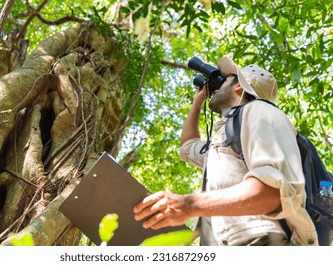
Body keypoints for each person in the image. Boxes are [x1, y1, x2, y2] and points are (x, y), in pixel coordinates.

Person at [134, 56, 318, 246]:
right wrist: (198, 101)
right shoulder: (227, 135)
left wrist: (188, 205)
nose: (218, 86)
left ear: (239, 86)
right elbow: (188, 148)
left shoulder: (260, 111)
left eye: (226, 79)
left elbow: (273, 192)